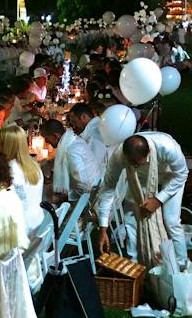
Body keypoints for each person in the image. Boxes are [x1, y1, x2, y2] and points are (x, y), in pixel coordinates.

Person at [97, 133, 189, 269]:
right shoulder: (119, 157)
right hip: (140, 178)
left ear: (149, 153)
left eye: (139, 163)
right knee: (130, 219)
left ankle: (181, 265)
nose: (136, 165)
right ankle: (135, 265)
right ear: (126, 157)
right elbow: (108, 189)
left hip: (171, 175)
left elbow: (182, 174)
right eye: (132, 163)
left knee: (171, 221)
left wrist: (158, 200)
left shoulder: (168, 147)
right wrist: (103, 228)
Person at [0, 125, 44, 233]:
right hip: (37, 224)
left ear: (6, 146)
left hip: (21, 231)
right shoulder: (34, 164)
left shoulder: (10, 171)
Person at [41, 119, 100, 201]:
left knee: (42, 197)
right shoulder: (71, 140)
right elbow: (56, 161)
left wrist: (64, 197)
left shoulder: (71, 150)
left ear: (55, 136)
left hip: (88, 197)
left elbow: (84, 186)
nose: (46, 142)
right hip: (89, 188)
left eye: (46, 138)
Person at [68, 102, 109, 174]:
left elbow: (93, 167)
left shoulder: (94, 137)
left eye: (75, 122)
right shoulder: (96, 128)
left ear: (84, 117)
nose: (74, 126)